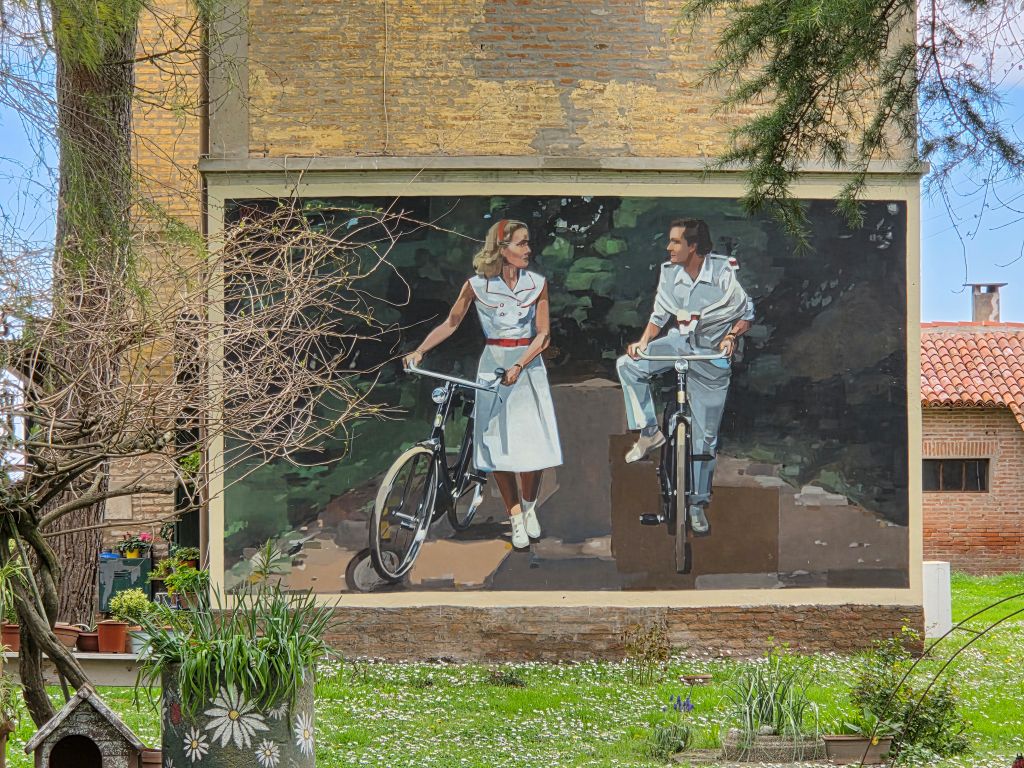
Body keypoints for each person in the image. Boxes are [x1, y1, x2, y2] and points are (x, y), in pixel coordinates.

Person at [404, 219, 562, 550]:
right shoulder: (476, 286)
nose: (528, 250)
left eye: (527, 242)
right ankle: (514, 516)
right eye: (521, 243)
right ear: (502, 249)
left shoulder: (537, 284)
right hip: (493, 365)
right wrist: (421, 350)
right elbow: (451, 323)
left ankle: (529, 507)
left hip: (527, 365)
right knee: (497, 445)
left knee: (532, 446)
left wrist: (520, 365)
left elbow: (543, 334)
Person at [616, 218, 753, 536]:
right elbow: (659, 315)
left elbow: (745, 314)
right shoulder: (669, 273)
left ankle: (696, 505)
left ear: (693, 246)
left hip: (710, 355)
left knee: (706, 438)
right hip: (679, 344)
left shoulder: (722, 272)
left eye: (675, 241)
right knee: (628, 365)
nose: (669, 247)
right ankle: (650, 431)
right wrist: (643, 343)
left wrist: (731, 336)